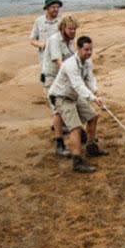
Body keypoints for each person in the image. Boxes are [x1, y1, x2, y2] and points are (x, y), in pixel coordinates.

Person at [48, 36, 107, 174]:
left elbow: (90, 79)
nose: (89, 52)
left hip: (74, 95)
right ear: (79, 49)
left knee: (93, 117)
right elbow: (78, 84)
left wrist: (96, 92)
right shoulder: (70, 64)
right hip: (61, 96)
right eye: (86, 49)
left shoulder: (87, 62)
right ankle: (77, 161)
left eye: (90, 49)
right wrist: (93, 98)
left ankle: (91, 148)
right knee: (75, 128)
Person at [42, 15, 79, 157]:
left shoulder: (70, 41)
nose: (73, 32)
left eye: (75, 29)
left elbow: (71, 59)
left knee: (71, 104)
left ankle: (76, 133)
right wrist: (72, 74)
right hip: (52, 79)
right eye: (70, 29)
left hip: (63, 78)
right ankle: (59, 144)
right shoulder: (54, 40)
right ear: (63, 28)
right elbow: (58, 61)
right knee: (58, 111)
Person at [30, 0, 62, 69]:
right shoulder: (39, 21)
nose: (56, 9)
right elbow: (32, 40)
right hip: (44, 59)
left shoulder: (62, 21)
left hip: (59, 57)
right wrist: (42, 45)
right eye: (53, 7)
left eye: (58, 7)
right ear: (47, 8)